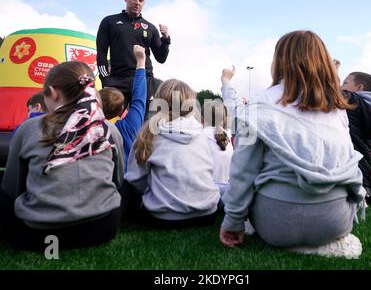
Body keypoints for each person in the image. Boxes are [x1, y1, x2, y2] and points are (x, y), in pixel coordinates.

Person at [219, 31, 365, 259]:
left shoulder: (261, 101)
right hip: (335, 222)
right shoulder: (338, 108)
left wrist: (233, 221)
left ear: (279, 61)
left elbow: (243, 170)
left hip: (275, 223)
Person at [0, 61, 124, 251]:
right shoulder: (110, 129)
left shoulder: (29, 129)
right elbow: (118, 180)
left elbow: (11, 187)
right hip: (103, 228)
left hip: (36, 234)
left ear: (53, 92)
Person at [124, 79, 220, 229]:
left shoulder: (149, 134)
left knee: (125, 187)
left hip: (164, 217)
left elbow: (135, 180)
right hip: (208, 214)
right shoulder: (202, 134)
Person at [97, 0, 171, 110]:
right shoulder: (109, 21)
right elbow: (101, 53)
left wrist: (166, 39)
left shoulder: (150, 28)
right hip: (117, 81)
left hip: (144, 81)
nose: (137, 2)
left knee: (145, 125)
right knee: (108, 122)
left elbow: (161, 58)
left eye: (141, 0)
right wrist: (105, 80)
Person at [99, 45, 147, 164]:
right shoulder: (129, 126)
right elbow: (139, 97)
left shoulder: (87, 126)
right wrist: (141, 61)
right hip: (123, 180)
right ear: (122, 108)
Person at [341, 71, 371, 197]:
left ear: (359, 88)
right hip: (362, 174)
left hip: (349, 173)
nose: (342, 87)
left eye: (345, 83)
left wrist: (332, 71)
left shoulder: (353, 102)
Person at [201, 100, 233, 197]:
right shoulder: (227, 137)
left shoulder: (201, 136)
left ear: (202, 119)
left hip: (208, 193)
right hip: (227, 192)